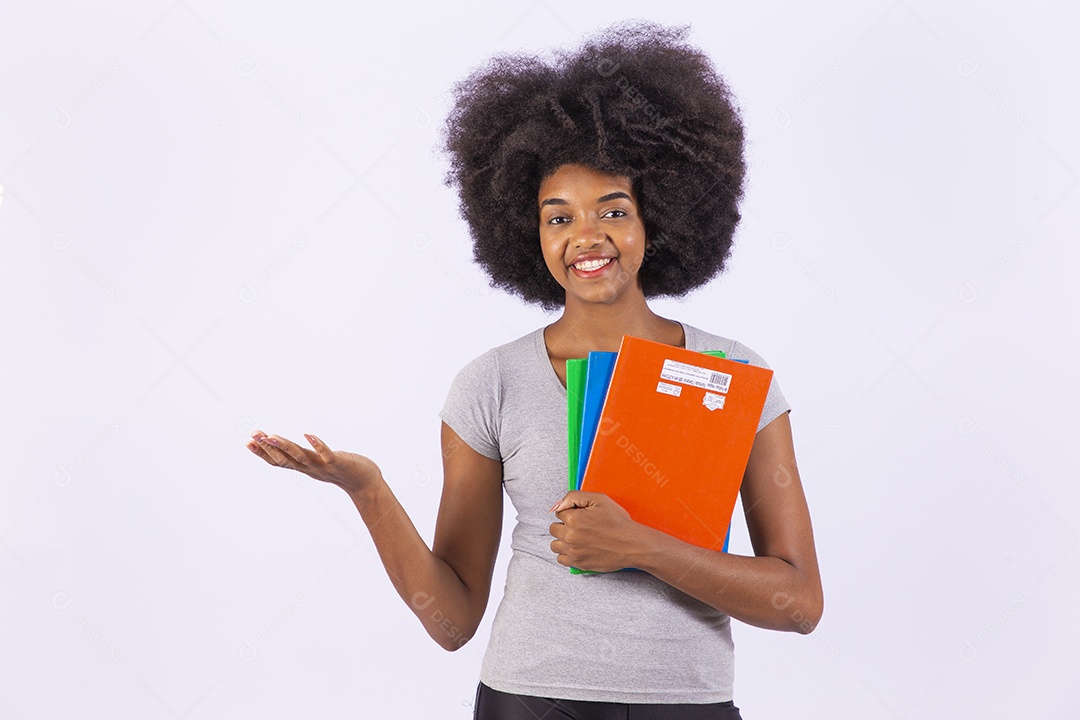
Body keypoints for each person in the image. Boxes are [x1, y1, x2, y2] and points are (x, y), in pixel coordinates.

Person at [246, 21, 822, 719]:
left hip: (687, 704)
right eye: (558, 218)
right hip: (529, 699)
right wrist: (365, 489)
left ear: (657, 221)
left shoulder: (734, 375)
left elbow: (799, 603)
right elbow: (453, 620)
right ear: (529, 234)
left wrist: (641, 546)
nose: (586, 236)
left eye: (614, 209)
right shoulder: (489, 385)